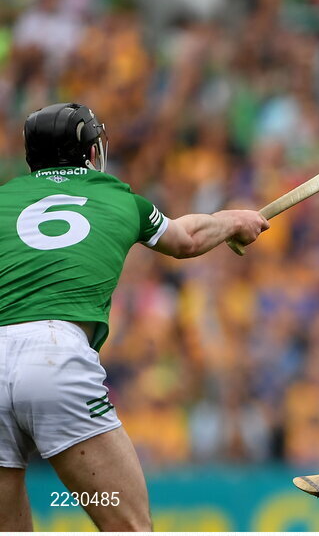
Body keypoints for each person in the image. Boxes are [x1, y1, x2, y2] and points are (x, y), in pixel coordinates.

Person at [0, 102, 269, 531]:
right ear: (91, 152)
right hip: (55, 360)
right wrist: (232, 221)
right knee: (130, 527)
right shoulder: (118, 197)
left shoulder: (4, 197)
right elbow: (187, 239)